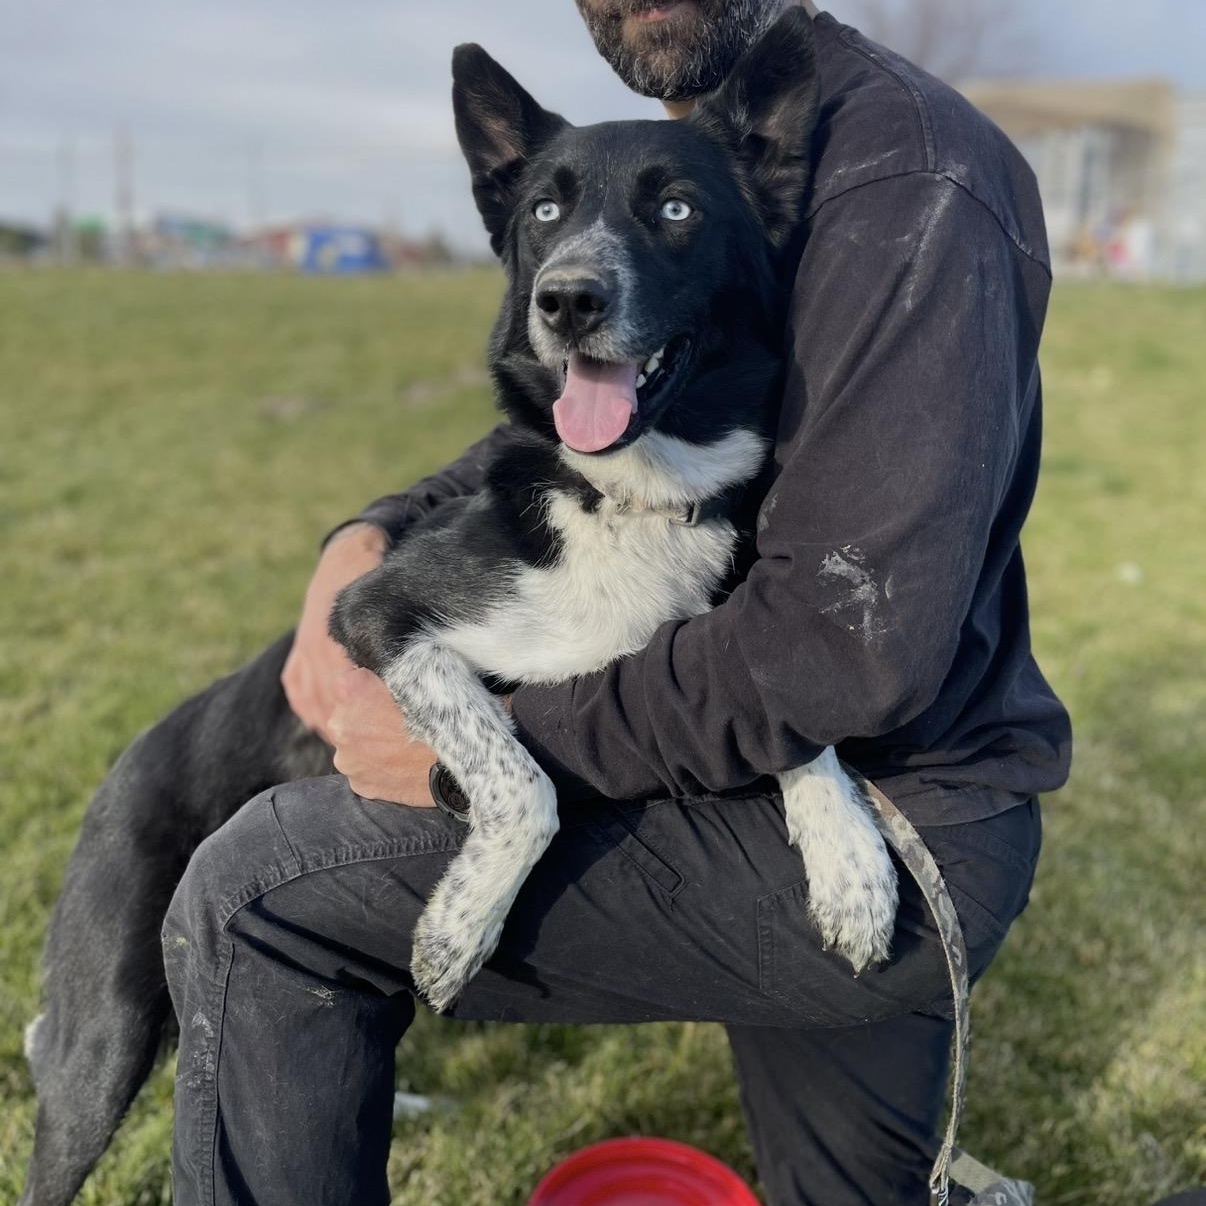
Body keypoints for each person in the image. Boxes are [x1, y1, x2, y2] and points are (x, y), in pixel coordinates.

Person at [162, 2, 1072, 1203]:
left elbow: (839, 650)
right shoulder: (691, 164)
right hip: (791, 743)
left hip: (896, 807)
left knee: (258, 886)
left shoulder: (907, 182)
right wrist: (373, 528)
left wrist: (485, 763)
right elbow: (585, 423)